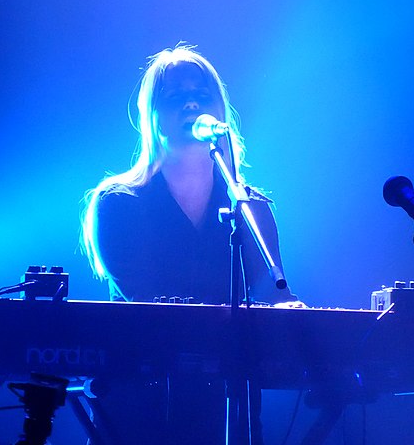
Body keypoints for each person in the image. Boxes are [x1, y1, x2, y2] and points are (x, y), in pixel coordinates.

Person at [80, 44, 298, 444]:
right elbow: (147, 302)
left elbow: (273, 293)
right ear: (151, 114)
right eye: (175, 97)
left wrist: (294, 315)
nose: (192, 104)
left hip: (228, 408)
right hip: (140, 407)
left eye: (202, 95)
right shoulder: (119, 203)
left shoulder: (251, 209)